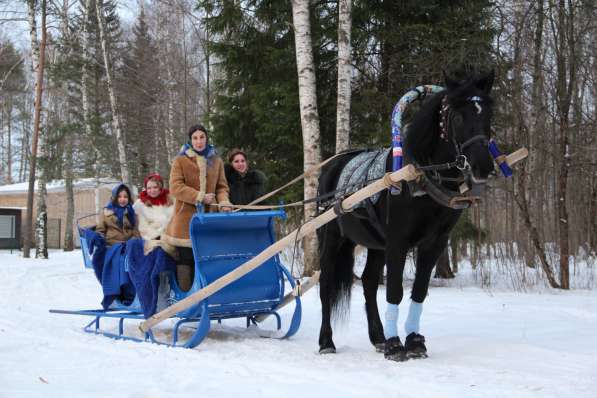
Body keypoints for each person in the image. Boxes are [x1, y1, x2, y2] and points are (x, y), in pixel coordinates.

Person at [163, 124, 232, 291]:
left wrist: (224, 202)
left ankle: (207, 297)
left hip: (209, 220)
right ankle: (187, 301)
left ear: (207, 138)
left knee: (207, 258)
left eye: (202, 137)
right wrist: (199, 197)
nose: (199, 141)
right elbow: (175, 187)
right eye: (195, 138)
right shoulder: (180, 160)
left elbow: (221, 187)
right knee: (186, 259)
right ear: (190, 140)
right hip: (185, 220)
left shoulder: (216, 161)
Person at [133, 173, 174, 245]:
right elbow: (132, 214)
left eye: (155, 187)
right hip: (148, 238)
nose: (152, 190)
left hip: (167, 237)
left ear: (160, 187)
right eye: (149, 188)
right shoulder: (140, 203)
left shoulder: (169, 200)